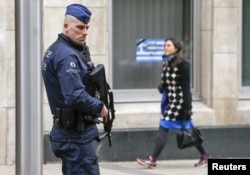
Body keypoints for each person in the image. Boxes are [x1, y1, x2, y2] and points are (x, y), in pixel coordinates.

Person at [41, 4, 108, 175]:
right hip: (75, 137)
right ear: (66, 26)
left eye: (86, 27)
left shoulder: (61, 50)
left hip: (71, 133)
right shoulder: (67, 56)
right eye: (80, 27)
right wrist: (99, 106)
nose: (85, 32)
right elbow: (74, 95)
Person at [136, 37, 211, 168]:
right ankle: (205, 156)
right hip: (171, 101)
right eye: (165, 45)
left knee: (164, 125)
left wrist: (187, 107)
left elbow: (186, 88)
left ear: (176, 48)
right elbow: (168, 81)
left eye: (168, 45)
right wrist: (162, 86)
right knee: (189, 129)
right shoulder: (166, 62)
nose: (165, 47)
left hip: (180, 103)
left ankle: (152, 159)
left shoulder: (183, 65)